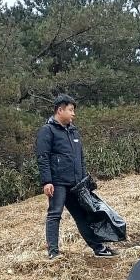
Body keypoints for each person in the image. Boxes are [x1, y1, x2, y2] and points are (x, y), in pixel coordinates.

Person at [35, 94, 117, 261]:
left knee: (82, 216)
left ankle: (98, 248)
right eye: (70, 110)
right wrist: (47, 181)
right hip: (57, 183)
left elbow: (80, 157)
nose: (73, 114)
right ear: (60, 110)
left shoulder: (74, 131)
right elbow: (43, 157)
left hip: (75, 184)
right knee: (54, 214)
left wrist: (84, 181)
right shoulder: (47, 131)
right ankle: (53, 253)